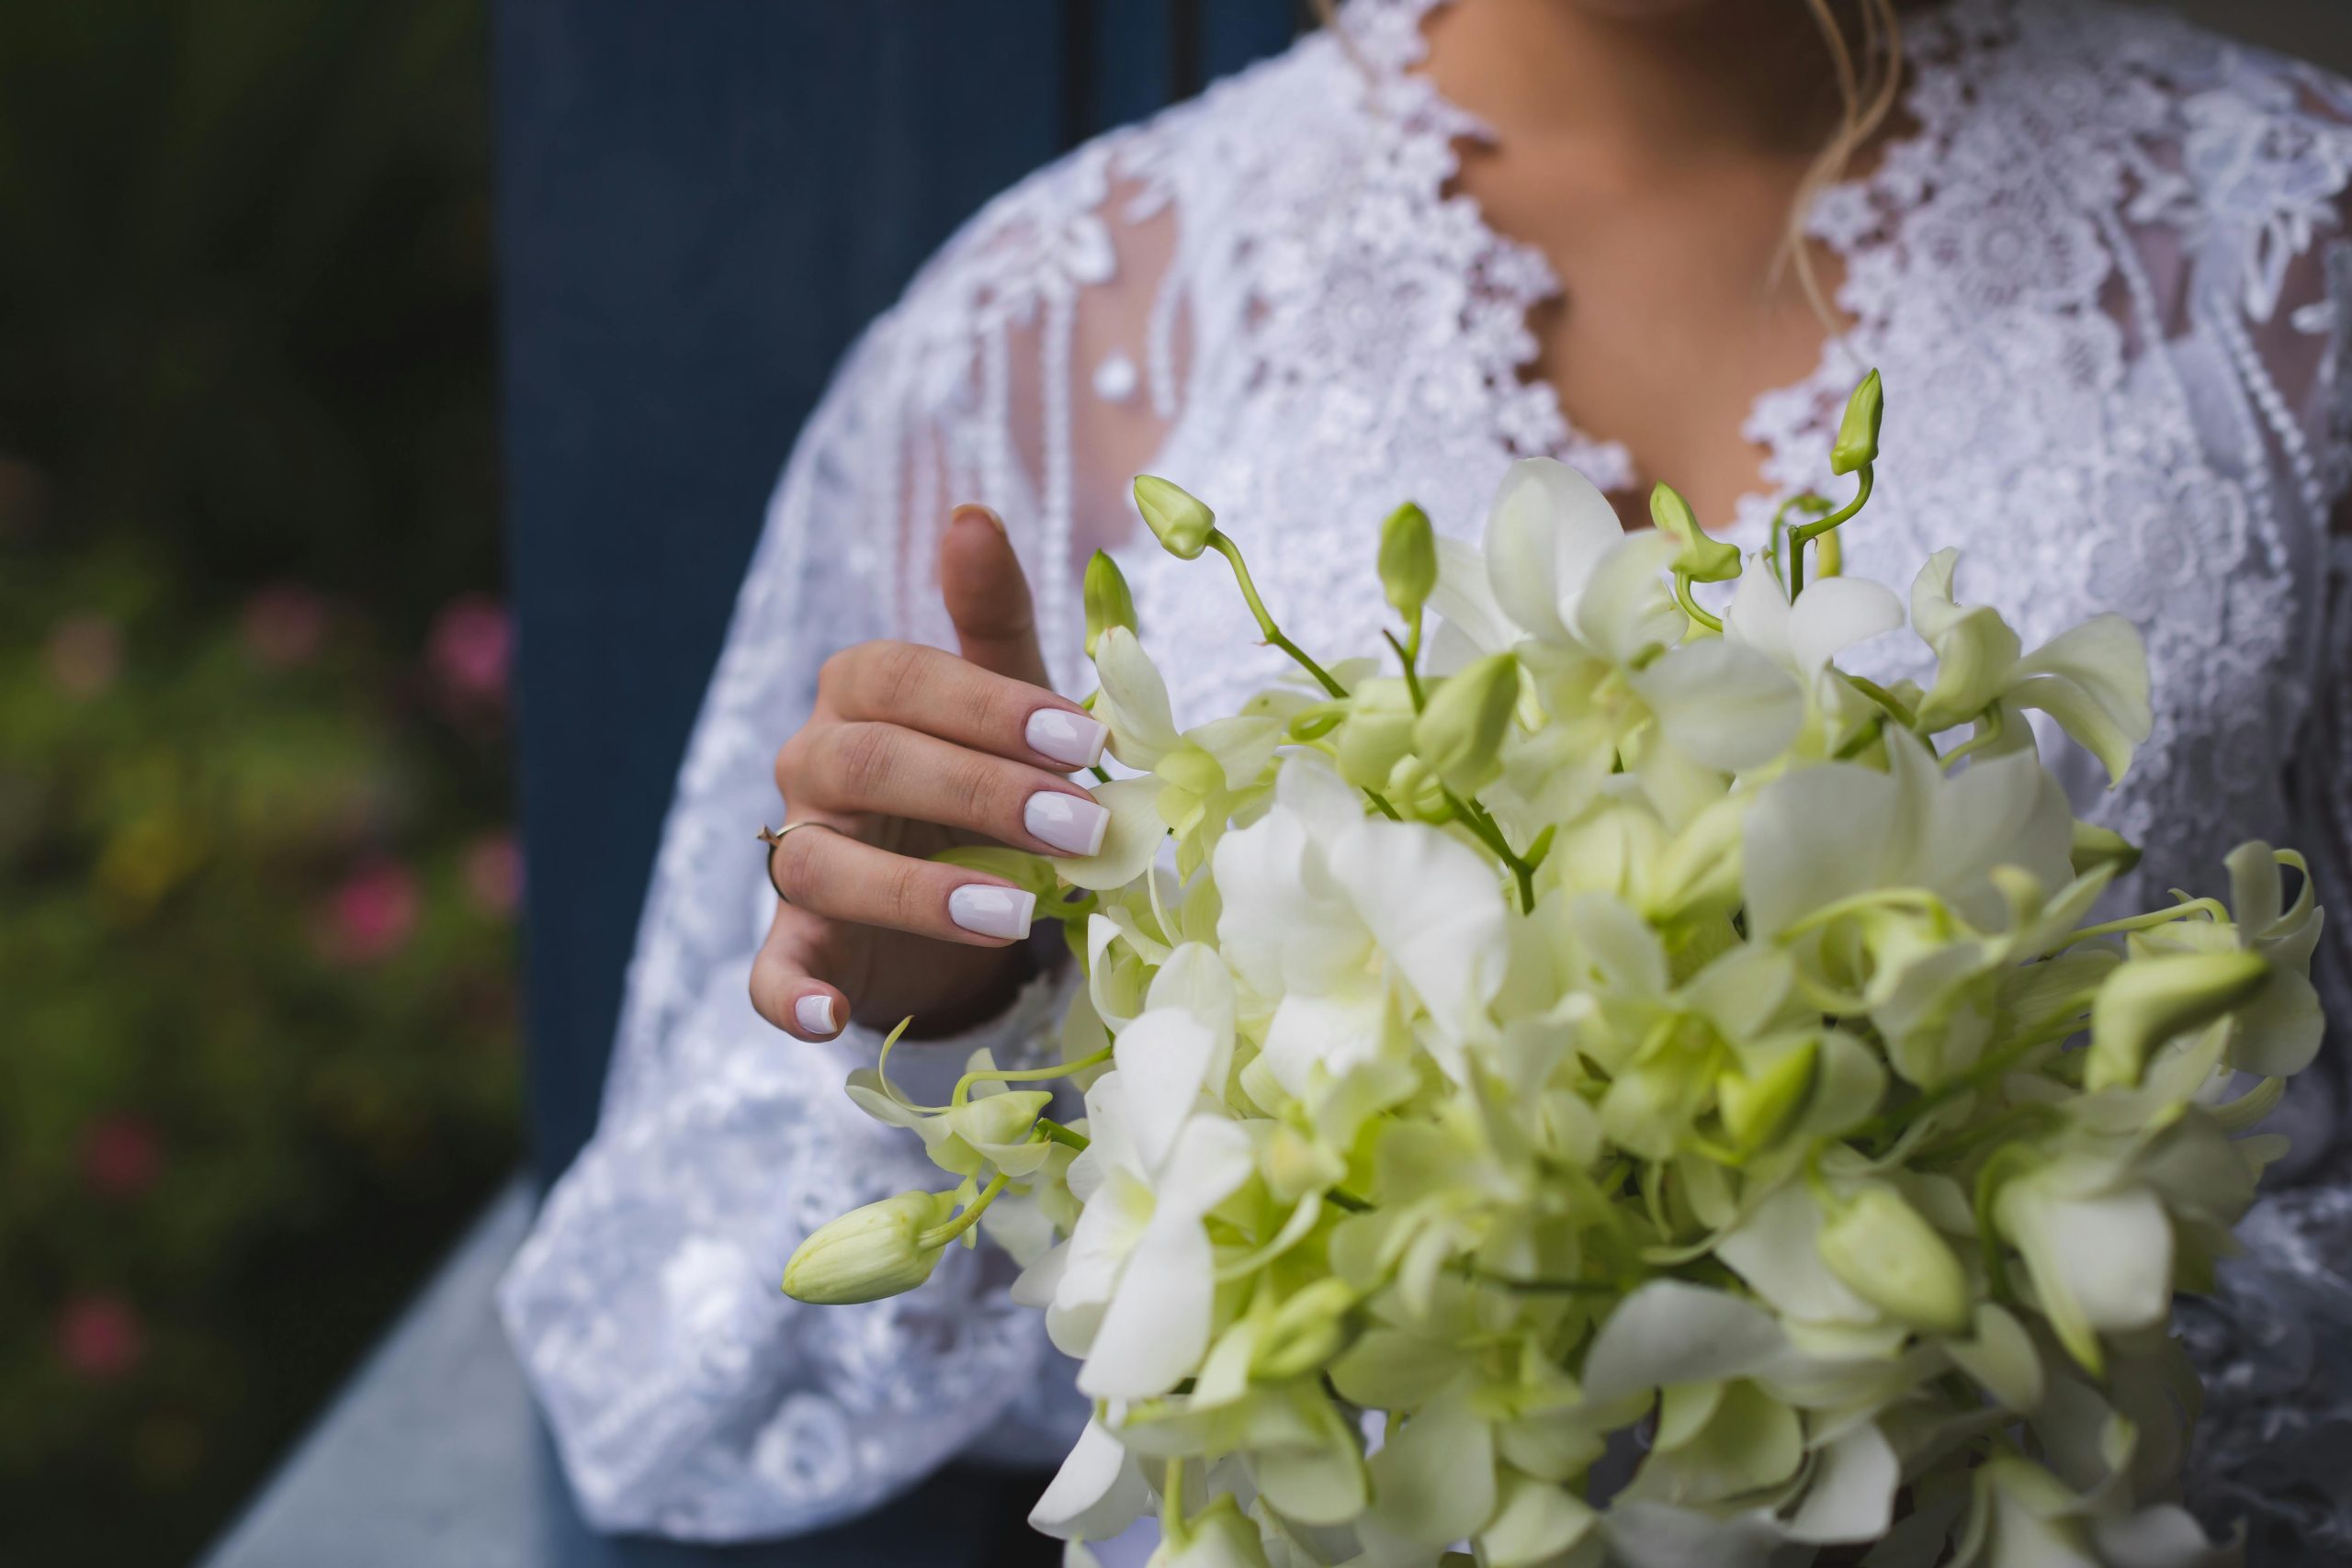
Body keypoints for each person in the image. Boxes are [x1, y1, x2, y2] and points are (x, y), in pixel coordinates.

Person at [500, 0, 2352, 1556]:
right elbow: (658, 1354)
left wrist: (2000, 1339)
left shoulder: (2295, 256)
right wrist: (959, 1015)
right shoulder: (1052, 331)